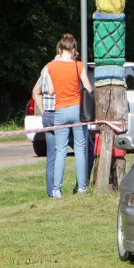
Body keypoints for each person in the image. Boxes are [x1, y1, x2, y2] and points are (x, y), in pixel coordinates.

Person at [45, 33, 93, 198]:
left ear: (60, 49)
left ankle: (56, 190)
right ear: (74, 50)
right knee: (80, 148)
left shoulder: (51, 66)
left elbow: (50, 91)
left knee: (60, 151)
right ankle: (82, 187)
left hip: (60, 110)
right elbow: (88, 88)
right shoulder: (78, 66)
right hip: (77, 109)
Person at [32, 54, 59, 197]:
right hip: (62, 115)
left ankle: (51, 193)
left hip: (49, 115)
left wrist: (43, 112)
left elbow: (35, 92)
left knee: (52, 156)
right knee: (85, 149)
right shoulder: (63, 68)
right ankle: (81, 187)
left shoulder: (46, 68)